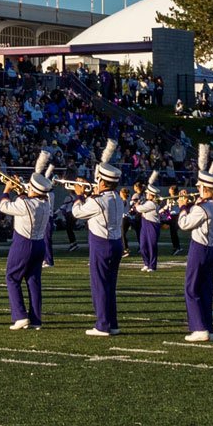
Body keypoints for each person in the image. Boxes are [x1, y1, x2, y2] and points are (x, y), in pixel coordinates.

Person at [73, 140, 129, 338]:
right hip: (115, 243)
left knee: (99, 285)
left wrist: (80, 195)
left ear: (102, 182)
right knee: (109, 285)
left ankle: (103, 325)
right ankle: (111, 323)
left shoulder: (98, 200)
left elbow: (77, 212)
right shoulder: (117, 198)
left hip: (101, 243)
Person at [0, 153, 55, 331]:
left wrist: (7, 190)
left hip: (23, 243)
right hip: (39, 244)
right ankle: (36, 320)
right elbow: (28, 198)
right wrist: (21, 191)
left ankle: (20, 316)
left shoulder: (25, 204)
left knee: (12, 277)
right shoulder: (45, 203)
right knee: (33, 281)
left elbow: (3, 206)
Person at [178, 146, 213, 341]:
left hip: (199, 248)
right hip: (211, 249)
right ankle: (208, 327)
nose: (197, 190)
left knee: (192, 288)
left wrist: (182, 207)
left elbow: (184, 224)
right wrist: (191, 204)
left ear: (206, 189)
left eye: (199, 188)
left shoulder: (202, 208)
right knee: (206, 290)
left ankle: (199, 328)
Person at [130, 171, 165, 273]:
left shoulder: (152, 204)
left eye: (148, 193)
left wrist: (136, 205)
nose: (146, 194)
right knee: (143, 245)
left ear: (152, 195)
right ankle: (146, 263)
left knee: (151, 245)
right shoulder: (148, 201)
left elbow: (140, 209)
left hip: (152, 225)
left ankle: (152, 265)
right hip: (145, 223)